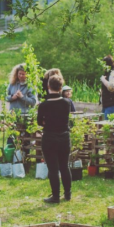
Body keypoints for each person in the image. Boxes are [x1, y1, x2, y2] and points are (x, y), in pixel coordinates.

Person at [37, 74, 72, 204]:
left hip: (50, 137)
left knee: (53, 168)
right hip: (64, 136)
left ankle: (56, 196)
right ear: (61, 87)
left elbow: (40, 122)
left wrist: (47, 121)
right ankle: (68, 193)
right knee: (64, 165)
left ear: (48, 86)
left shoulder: (44, 105)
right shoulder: (67, 103)